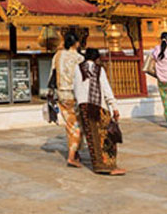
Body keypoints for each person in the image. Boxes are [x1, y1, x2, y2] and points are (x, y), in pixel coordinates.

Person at [73, 48, 125, 175]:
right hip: (98, 106)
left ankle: (98, 165)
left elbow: (75, 87)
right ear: (97, 59)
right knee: (107, 137)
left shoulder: (77, 68)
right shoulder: (99, 70)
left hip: (83, 106)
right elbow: (106, 89)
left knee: (92, 136)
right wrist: (114, 106)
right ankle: (109, 166)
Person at [52, 32, 84, 168]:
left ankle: (75, 152)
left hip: (61, 94)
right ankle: (71, 156)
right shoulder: (79, 58)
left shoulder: (57, 55)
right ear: (76, 43)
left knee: (70, 125)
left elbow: (52, 74)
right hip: (73, 94)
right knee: (76, 126)